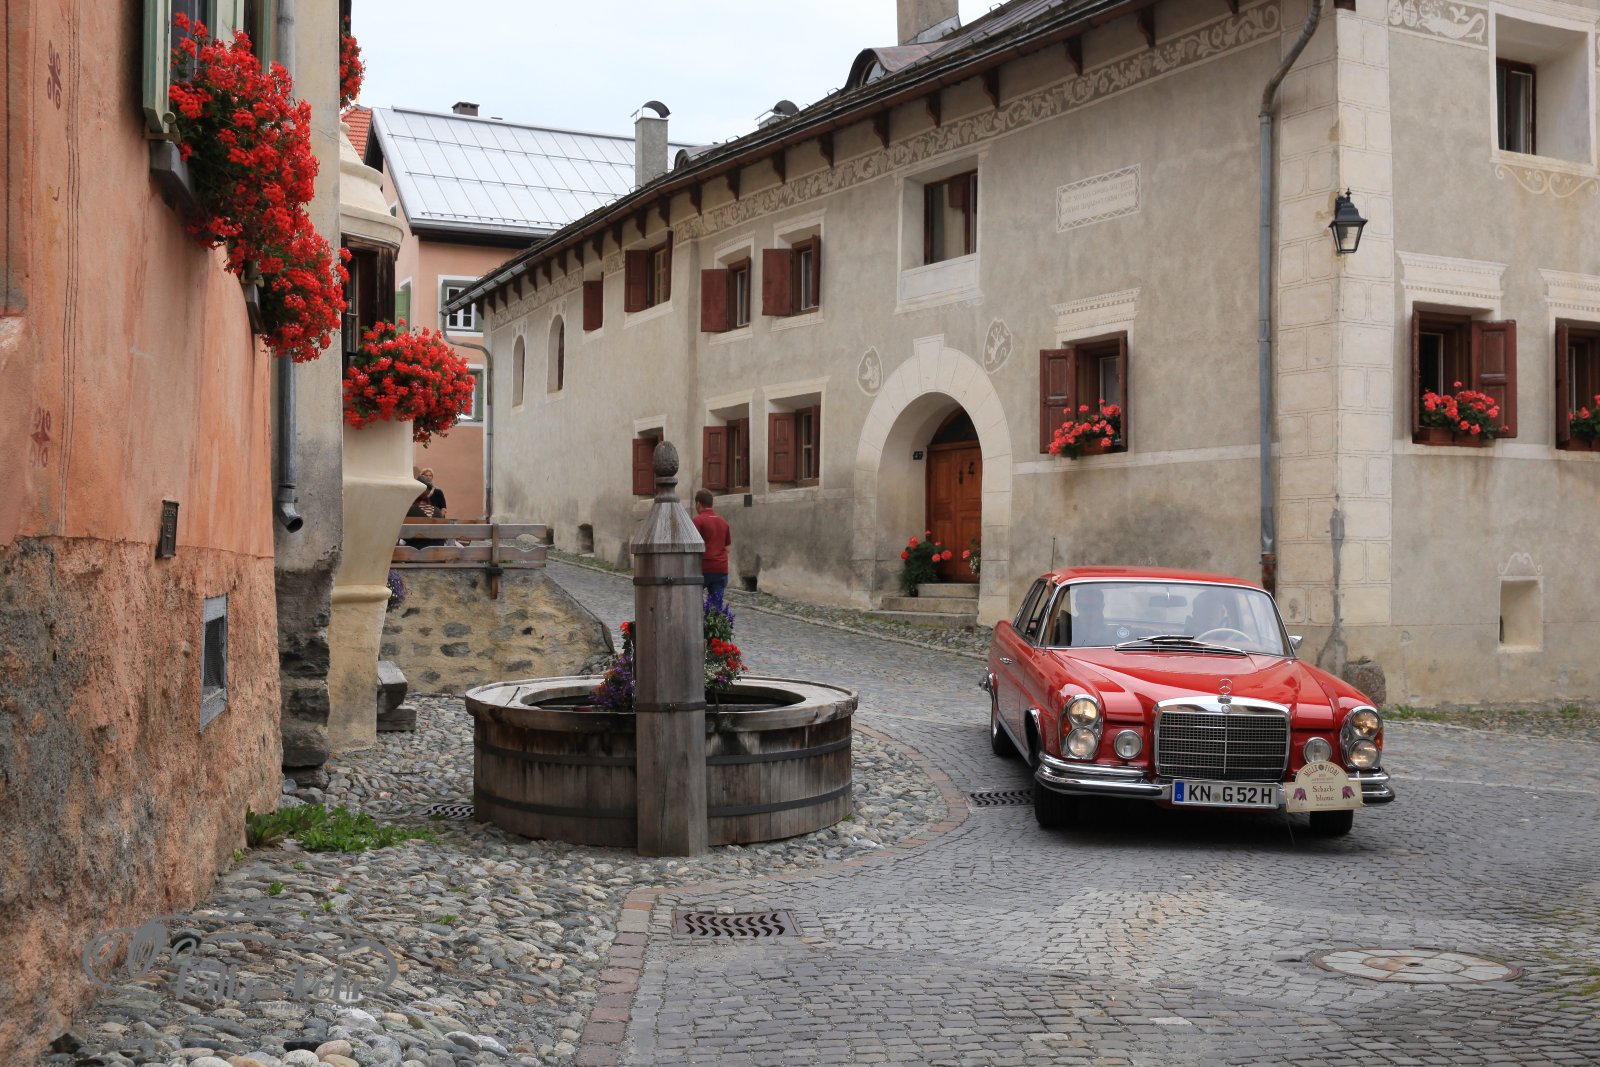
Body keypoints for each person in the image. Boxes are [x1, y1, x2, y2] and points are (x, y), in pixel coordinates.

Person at [691, 489, 732, 601]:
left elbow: (692, 546)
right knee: (716, 606)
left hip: (703, 568)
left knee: (693, 602)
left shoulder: (697, 521)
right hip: (721, 568)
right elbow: (728, 548)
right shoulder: (723, 522)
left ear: (698, 503)